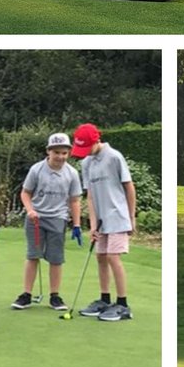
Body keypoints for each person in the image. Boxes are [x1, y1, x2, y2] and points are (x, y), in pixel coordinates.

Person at [71, 122, 136, 322]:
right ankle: (104, 299)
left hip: (118, 216)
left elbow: (129, 188)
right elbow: (90, 196)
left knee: (112, 257)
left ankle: (123, 304)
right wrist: (92, 225)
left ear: (96, 140)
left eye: (86, 147)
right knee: (100, 256)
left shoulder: (114, 157)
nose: (84, 153)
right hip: (100, 220)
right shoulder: (86, 163)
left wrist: (131, 217)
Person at [14, 132, 83, 313]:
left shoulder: (72, 173)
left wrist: (76, 224)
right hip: (35, 219)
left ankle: (55, 296)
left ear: (68, 153)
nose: (60, 157)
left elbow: (75, 200)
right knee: (33, 256)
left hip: (58, 219)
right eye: (56, 152)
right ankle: (26, 294)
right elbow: (25, 193)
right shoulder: (37, 170)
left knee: (56, 258)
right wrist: (30, 210)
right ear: (48, 151)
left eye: (64, 153)